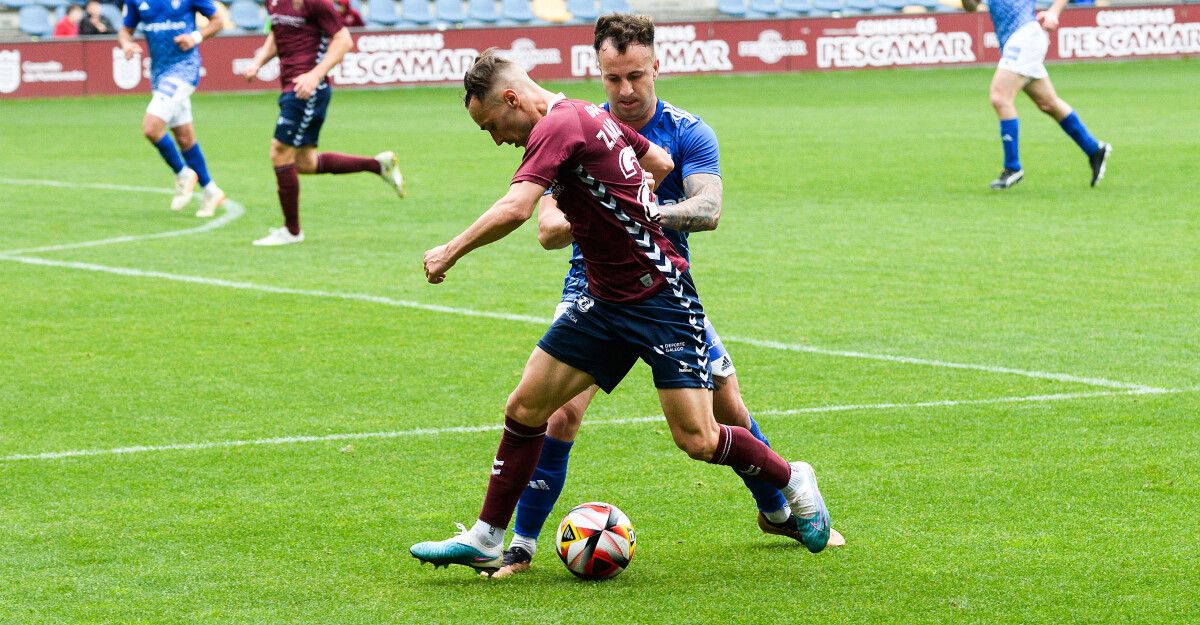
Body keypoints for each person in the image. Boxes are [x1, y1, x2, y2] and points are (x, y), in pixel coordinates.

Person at [408, 49, 833, 575]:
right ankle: (489, 537)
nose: (497, 139)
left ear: (512, 98)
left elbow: (517, 208)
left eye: (493, 125)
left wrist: (448, 251)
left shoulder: (559, 126)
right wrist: (621, 203)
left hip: (661, 299)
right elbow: (659, 162)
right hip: (604, 301)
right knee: (525, 408)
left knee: (697, 439)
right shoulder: (591, 115)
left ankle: (793, 479)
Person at [240, 0, 403, 247]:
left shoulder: (315, 2)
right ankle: (377, 165)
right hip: (292, 86)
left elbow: (344, 40)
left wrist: (315, 75)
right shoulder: (273, 2)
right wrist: (258, 62)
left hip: (307, 89)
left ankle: (292, 231)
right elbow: (277, 32)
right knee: (304, 163)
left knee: (279, 152)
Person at [963, 0, 1111, 189]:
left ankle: (1012, 167)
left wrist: (1054, 11)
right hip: (1015, 41)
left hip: (1025, 37)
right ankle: (1094, 149)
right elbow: (971, 7)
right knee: (1048, 103)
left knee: (1000, 97)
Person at [118, 0, 227, 216]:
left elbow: (218, 21)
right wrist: (126, 44)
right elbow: (125, 30)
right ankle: (211, 190)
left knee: (151, 128)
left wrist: (195, 37)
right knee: (185, 139)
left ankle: (183, 173)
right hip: (159, 74)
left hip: (184, 69)